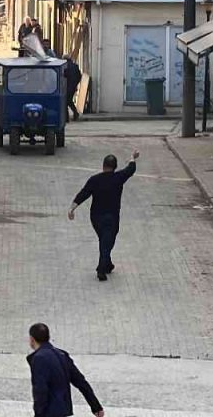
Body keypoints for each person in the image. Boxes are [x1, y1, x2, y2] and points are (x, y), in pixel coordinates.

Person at [68, 150, 138, 281]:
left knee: (104, 240)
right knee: (107, 241)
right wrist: (132, 157)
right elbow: (131, 169)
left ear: (103, 165)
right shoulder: (119, 177)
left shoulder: (95, 180)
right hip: (112, 217)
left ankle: (108, 264)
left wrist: (72, 208)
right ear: (115, 167)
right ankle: (101, 269)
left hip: (96, 217)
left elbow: (84, 193)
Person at [27, 323, 104, 417]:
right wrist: (96, 406)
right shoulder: (62, 355)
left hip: (49, 412)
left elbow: (40, 389)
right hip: (63, 410)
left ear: (32, 339)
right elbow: (81, 382)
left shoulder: (39, 358)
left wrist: (38, 413)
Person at [63, 56, 82, 121]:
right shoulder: (75, 66)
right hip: (73, 87)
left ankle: (66, 117)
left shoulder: (65, 67)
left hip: (67, 86)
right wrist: (76, 83)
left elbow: (64, 77)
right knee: (69, 100)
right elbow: (79, 76)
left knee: (65, 101)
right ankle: (75, 114)